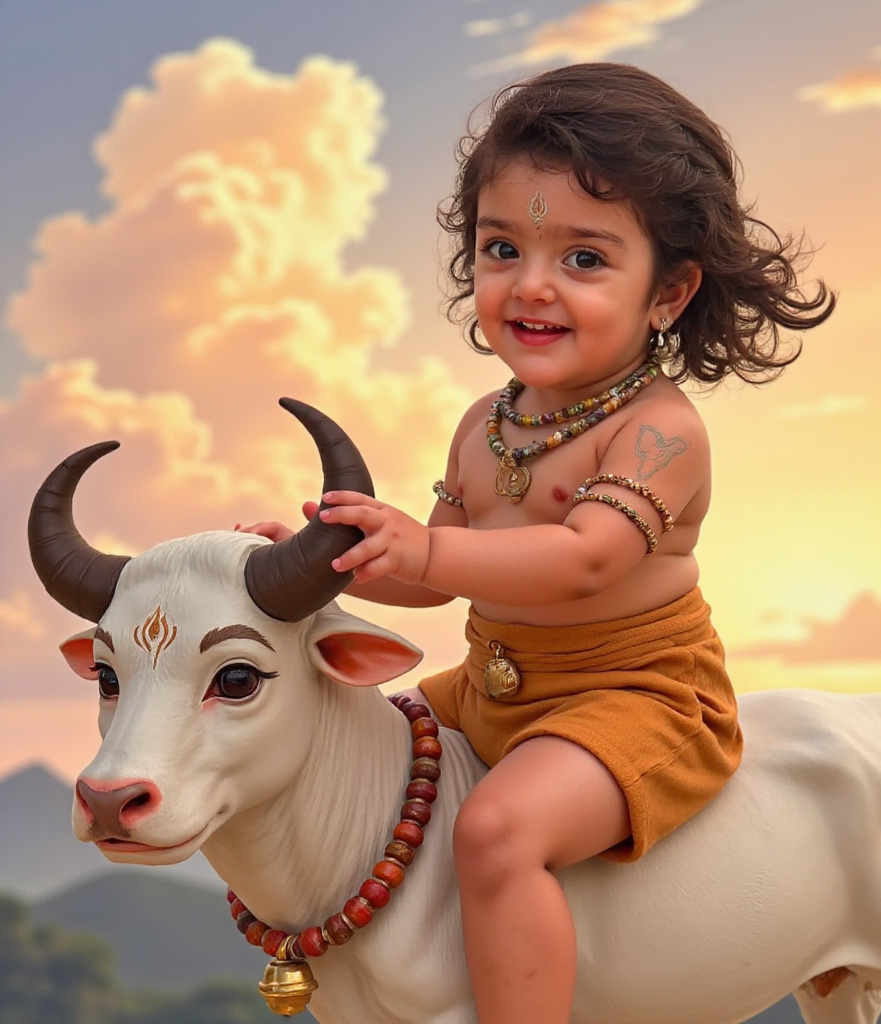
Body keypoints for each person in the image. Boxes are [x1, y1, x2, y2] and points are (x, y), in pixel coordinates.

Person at [241, 62, 835, 1024]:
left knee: (498, 832)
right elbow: (433, 575)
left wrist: (427, 555)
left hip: (636, 698)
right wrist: (329, 561)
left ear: (670, 293)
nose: (532, 286)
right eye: (502, 247)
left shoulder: (659, 431)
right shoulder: (485, 420)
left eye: (585, 260)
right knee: (349, 740)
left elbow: (585, 558)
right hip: (494, 683)